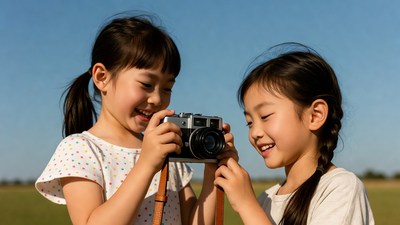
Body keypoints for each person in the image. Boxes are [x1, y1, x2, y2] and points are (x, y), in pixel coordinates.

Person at [35, 15, 237, 225]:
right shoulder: (80, 149)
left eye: (167, 88)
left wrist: (212, 175)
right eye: (146, 84)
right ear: (102, 77)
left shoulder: (166, 147)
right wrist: (147, 164)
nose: (158, 98)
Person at [214, 43, 375, 225]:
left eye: (265, 116)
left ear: (315, 115)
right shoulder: (265, 200)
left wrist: (246, 205)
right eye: (249, 122)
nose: (255, 132)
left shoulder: (340, 188)